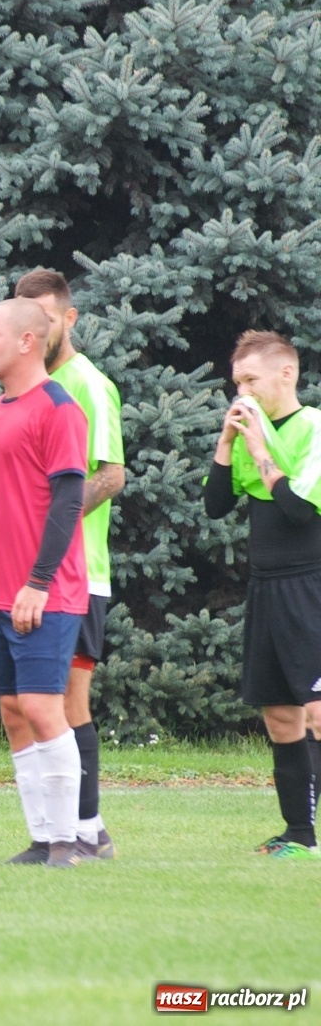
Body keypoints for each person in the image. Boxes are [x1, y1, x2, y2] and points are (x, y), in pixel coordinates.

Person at [0, 298, 89, 869]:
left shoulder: (58, 409)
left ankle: (69, 843)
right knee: (11, 708)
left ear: (28, 341)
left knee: (41, 705)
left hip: (45, 593)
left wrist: (39, 581)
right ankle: (41, 837)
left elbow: (70, 497)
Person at [15, 269, 127, 859]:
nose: (37, 329)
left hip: (81, 573)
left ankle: (86, 830)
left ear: (68, 319)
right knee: (30, 704)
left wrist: (44, 519)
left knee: (66, 703)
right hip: (34, 574)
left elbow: (112, 474)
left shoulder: (88, 383)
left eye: (47, 319)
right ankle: (74, 831)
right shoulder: (28, 387)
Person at [203, 330, 321, 859]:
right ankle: (298, 835)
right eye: (237, 384)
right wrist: (228, 445)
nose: (242, 393)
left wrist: (260, 449)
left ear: (286, 374)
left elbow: (299, 511)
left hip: (311, 585)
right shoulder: (247, 429)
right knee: (280, 715)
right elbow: (215, 506)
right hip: (266, 587)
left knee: (318, 710)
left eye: (251, 380)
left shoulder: (314, 427)